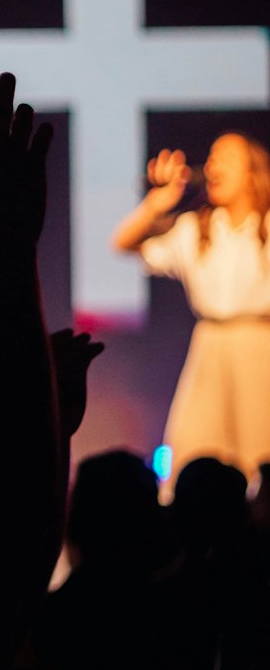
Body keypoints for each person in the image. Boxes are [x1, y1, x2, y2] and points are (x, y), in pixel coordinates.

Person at [111, 133, 270, 484]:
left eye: (226, 156)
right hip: (210, 347)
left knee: (260, 449)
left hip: (261, 346)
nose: (213, 164)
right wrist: (158, 203)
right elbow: (123, 243)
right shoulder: (194, 229)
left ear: (252, 172)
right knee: (196, 446)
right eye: (211, 156)